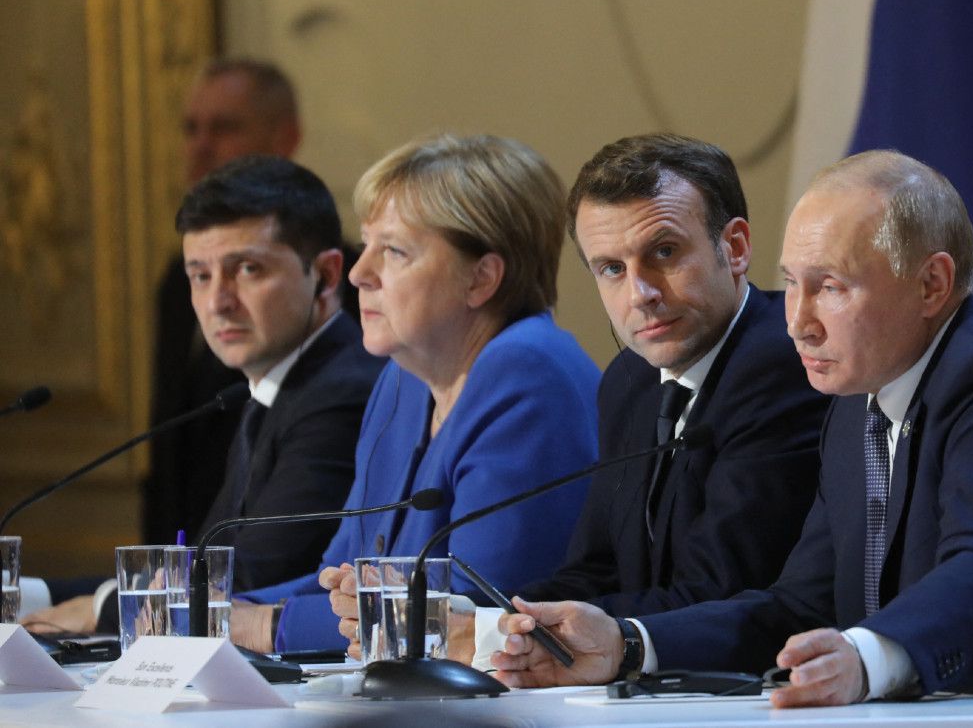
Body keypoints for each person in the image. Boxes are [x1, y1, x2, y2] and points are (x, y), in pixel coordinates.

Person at [489, 150, 973, 728]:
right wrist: (626, 645)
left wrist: (865, 657)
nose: (799, 320)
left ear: (932, 286)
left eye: (832, 286)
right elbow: (795, 607)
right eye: (792, 284)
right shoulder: (856, 401)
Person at [324, 133, 830, 663]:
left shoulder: (782, 366)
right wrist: (479, 621)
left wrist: (501, 632)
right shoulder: (630, 379)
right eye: (611, 268)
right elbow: (595, 568)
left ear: (735, 248)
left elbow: (716, 589)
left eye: (664, 252)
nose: (641, 294)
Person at [231, 134, 600, 653]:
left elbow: (475, 613)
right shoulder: (402, 380)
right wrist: (222, 610)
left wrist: (266, 627)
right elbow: (335, 579)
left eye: (394, 251)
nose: (360, 273)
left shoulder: (530, 373)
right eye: (367, 243)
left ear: (481, 279)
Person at [22, 156, 382, 631]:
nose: (217, 302)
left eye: (248, 269)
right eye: (200, 275)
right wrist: (31, 594)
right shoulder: (273, 385)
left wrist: (101, 609)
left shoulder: (340, 392)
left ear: (327, 275)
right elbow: (202, 565)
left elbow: (248, 578)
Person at [144, 59, 308, 546]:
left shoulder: (332, 276)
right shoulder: (176, 280)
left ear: (286, 138)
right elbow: (168, 443)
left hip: (262, 553)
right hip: (182, 557)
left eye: (224, 128)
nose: (201, 146)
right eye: (191, 128)